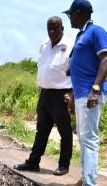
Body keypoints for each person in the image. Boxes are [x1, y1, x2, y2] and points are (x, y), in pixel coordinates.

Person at [62, 0, 107, 186]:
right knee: (83, 139)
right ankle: (85, 179)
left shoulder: (96, 31)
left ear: (80, 13)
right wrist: (73, 96)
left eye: (71, 14)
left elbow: (106, 59)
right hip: (81, 93)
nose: (69, 18)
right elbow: (77, 70)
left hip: (91, 94)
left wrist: (95, 90)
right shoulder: (81, 35)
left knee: (89, 140)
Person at [14, 16, 74, 176]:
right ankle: (33, 162)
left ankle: (64, 164)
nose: (52, 31)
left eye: (55, 28)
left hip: (61, 94)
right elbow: (42, 69)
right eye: (49, 28)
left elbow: (76, 72)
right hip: (44, 93)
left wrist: (72, 93)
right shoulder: (44, 46)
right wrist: (41, 91)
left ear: (62, 28)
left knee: (64, 131)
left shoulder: (70, 46)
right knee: (41, 130)